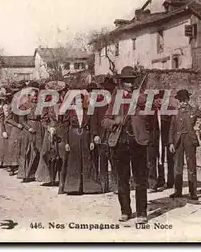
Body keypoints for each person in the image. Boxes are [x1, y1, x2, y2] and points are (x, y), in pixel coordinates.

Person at [102, 66, 150, 224]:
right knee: (122, 179)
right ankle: (125, 211)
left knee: (140, 179)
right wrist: (114, 122)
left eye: (132, 81)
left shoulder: (141, 96)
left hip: (138, 142)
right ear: (122, 83)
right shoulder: (116, 99)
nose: (130, 84)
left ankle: (142, 212)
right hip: (120, 142)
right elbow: (105, 120)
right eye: (127, 81)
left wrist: (137, 99)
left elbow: (151, 106)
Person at [168, 89, 201, 200]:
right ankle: (178, 191)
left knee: (191, 166)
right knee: (177, 167)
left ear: (188, 100)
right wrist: (171, 143)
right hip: (178, 141)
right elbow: (171, 128)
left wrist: (200, 128)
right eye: (180, 100)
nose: (183, 102)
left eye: (184, 100)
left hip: (189, 139)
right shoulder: (175, 112)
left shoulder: (194, 110)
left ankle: (193, 192)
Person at [64, 88, 103, 195]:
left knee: (87, 161)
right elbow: (65, 127)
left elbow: (91, 127)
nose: (79, 103)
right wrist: (66, 142)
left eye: (81, 101)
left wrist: (91, 141)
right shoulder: (69, 112)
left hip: (85, 137)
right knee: (74, 161)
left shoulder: (87, 111)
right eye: (77, 101)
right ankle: (73, 187)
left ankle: (90, 187)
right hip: (73, 137)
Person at [36, 81, 66, 186]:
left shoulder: (65, 104)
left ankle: (61, 178)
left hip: (62, 132)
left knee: (62, 154)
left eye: (59, 92)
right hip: (51, 132)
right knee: (49, 154)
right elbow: (43, 120)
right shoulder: (47, 105)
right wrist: (49, 127)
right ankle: (49, 178)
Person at [98, 76, 118, 194]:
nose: (108, 91)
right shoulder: (98, 103)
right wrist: (95, 134)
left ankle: (116, 185)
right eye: (106, 89)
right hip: (101, 135)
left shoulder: (117, 103)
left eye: (110, 89)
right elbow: (94, 119)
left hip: (114, 135)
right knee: (103, 161)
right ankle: (103, 186)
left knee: (115, 161)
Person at [19, 81, 43, 182]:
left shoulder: (40, 105)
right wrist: (29, 128)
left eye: (36, 96)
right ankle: (25, 174)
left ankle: (35, 173)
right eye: (33, 96)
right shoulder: (24, 105)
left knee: (38, 151)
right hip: (28, 129)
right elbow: (21, 120)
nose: (35, 98)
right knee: (27, 151)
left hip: (39, 127)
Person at [3, 86, 23, 175]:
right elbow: (7, 119)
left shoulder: (25, 105)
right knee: (14, 147)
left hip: (25, 128)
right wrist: (17, 124)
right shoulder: (12, 106)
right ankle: (12, 167)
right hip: (16, 129)